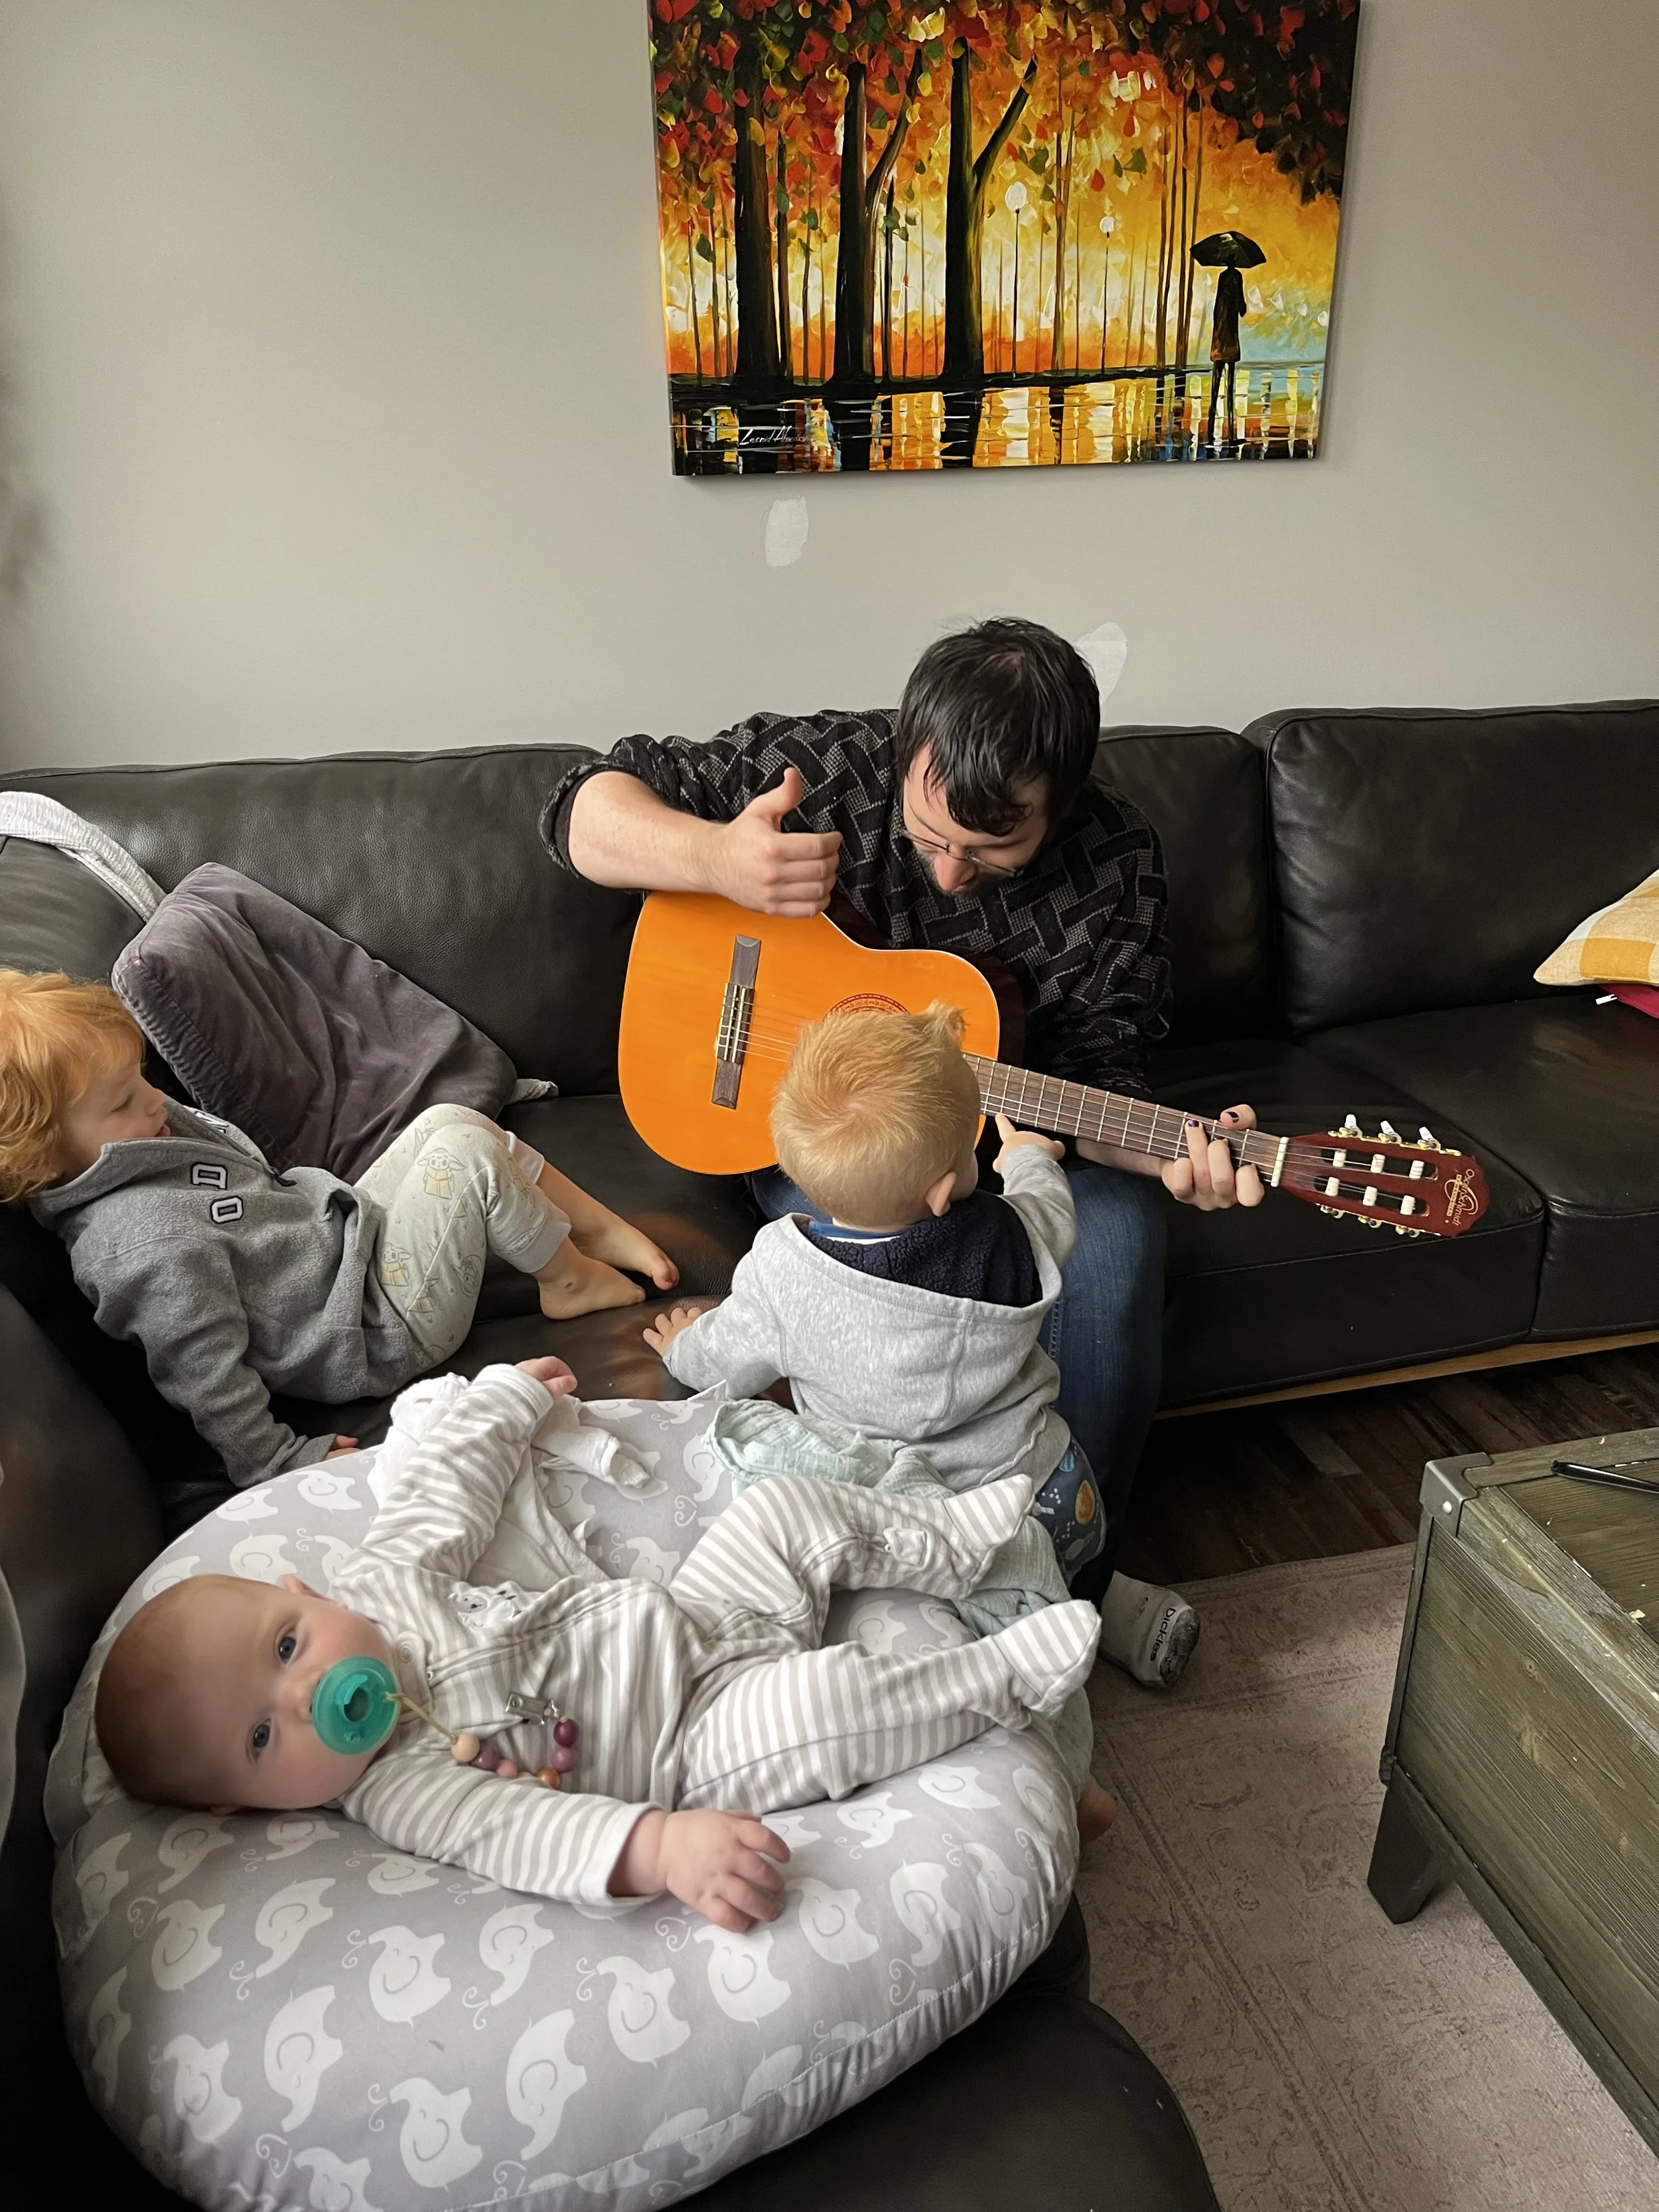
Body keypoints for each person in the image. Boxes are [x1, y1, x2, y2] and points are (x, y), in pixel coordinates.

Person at [544, 616, 1263, 1683]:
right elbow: (574, 807)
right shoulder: (828, 768)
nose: (951, 872)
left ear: (1062, 800)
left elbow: (1101, 1083)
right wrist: (717, 857)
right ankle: (931, 1571)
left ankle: (1073, 1578)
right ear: (906, 750)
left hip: (1002, 1146)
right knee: (871, 1265)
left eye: (992, 849)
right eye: (930, 836)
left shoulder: (1117, 864)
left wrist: (1171, 1157)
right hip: (826, 1136)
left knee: (1117, 1249)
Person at [93, 1358, 1103, 1929]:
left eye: (285, 1647)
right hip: (693, 1743)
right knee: (828, 1708)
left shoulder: (383, 1583)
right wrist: (660, 1847)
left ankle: (950, 1542)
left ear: (303, 1594)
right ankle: (1000, 1680)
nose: (308, 1693)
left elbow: (440, 1493)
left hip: (693, 1617)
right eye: (263, 1739)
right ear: (245, 1804)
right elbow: (523, 1833)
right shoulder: (401, 1787)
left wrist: (504, 1402)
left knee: (784, 1510)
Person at [644, 1003, 1181, 1676]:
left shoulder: (783, 1274)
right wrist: (1025, 1159)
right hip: (1045, 1495)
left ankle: (1013, 1674)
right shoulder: (1011, 1237)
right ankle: (1081, 1608)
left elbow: (722, 1362)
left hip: (912, 1526)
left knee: (974, 1638)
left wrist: (682, 1345)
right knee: (1063, 1573)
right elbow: (1052, 1211)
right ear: (944, 1189)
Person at [1, 970, 678, 1487]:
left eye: (140, 1077)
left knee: (451, 1122)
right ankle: (568, 1280)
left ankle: (590, 1232)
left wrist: (132, 1104)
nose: (156, 1100)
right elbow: (203, 1374)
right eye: (124, 1100)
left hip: (348, 1241)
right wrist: (274, 1461)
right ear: (43, 1153)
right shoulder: (138, 1248)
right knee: (466, 1157)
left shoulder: (132, 1139)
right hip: (378, 1327)